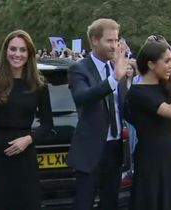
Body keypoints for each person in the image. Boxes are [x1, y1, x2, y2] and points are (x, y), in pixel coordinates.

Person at [0, 30, 53, 210]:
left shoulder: (39, 84)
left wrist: (29, 138)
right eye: (13, 49)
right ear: (6, 51)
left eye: (23, 50)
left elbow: (48, 124)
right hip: (0, 155)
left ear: (29, 54)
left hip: (26, 156)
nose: (17, 54)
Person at [124, 42, 171, 210]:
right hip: (153, 161)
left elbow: (168, 127)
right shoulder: (138, 93)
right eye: (167, 61)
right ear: (151, 64)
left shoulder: (163, 89)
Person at [66, 18, 128, 210]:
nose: (114, 45)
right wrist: (113, 79)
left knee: (110, 203)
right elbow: (82, 97)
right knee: (84, 203)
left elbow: (123, 107)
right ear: (94, 40)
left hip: (115, 150)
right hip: (91, 151)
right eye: (109, 40)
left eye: (116, 40)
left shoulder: (116, 68)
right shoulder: (79, 68)